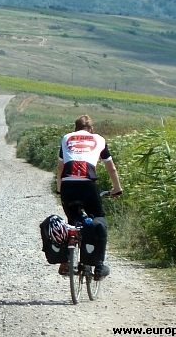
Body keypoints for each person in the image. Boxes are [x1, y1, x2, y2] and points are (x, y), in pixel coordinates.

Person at [55, 115, 122, 280]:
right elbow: (111, 168)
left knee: (71, 222)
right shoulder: (99, 139)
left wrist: (59, 189)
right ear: (92, 129)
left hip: (68, 185)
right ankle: (99, 267)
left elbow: (60, 168)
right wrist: (117, 188)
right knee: (99, 221)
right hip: (87, 184)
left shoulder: (67, 138)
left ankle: (64, 262)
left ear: (75, 128)